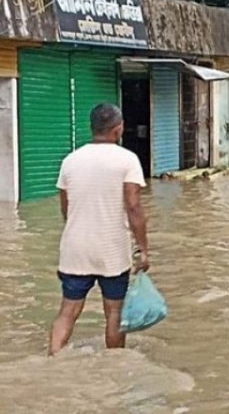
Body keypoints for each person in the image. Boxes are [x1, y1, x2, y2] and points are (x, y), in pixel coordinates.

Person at [49, 103, 149, 356]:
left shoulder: (70, 161)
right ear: (118, 129)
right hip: (112, 251)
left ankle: (52, 358)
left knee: (67, 311)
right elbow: (134, 207)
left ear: (92, 128)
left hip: (75, 250)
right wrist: (143, 250)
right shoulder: (127, 160)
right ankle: (115, 365)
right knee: (114, 312)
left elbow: (66, 208)